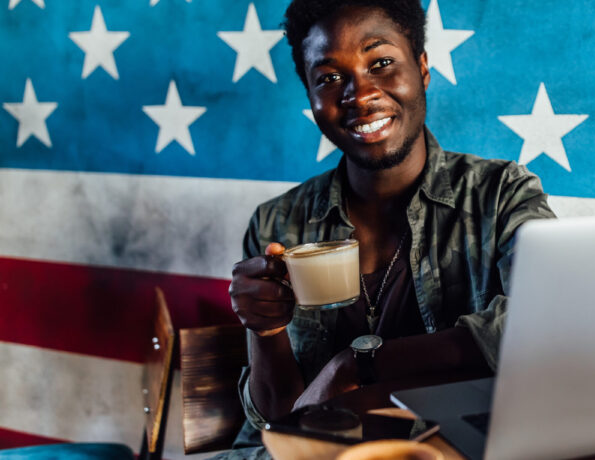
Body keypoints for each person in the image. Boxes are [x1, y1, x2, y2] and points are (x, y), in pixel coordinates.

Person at [223, 0, 555, 456]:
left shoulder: (500, 195)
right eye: (329, 77)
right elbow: (284, 423)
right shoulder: (278, 222)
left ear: (421, 68)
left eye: (380, 63)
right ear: (310, 96)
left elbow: (550, 321)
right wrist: (265, 331)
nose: (358, 95)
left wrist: (358, 365)